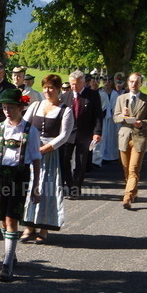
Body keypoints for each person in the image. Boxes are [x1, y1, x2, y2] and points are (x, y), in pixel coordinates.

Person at [0, 89, 42, 282]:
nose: (7, 111)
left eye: (11, 107)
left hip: (20, 176)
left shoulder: (30, 131)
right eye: (5, 107)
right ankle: (11, 252)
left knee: (11, 218)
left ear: (20, 108)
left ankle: (7, 264)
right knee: (2, 218)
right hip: (2, 176)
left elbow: (36, 159)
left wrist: (36, 185)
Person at [21, 74, 72, 243]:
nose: (47, 91)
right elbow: (24, 125)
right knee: (29, 188)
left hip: (50, 155)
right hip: (31, 153)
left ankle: (43, 229)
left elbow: (63, 136)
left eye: (51, 88)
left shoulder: (65, 110)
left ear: (58, 90)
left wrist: (43, 149)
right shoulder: (36, 105)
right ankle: (29, 227)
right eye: (45, 87)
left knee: (46, 190)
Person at [112, 72, 147, 210]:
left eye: (136, 82)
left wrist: (141, 123)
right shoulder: (121, 98)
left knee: (134, 169)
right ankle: (134, 191)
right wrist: (123, 116)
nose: (133, 84)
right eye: (131, 81)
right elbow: (115, 117)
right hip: (124, 137)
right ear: (128, 83)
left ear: (141, 84)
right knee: (126, 169)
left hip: (139, 137)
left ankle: (127, 197)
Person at [61, 70, 103, 198]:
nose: (74, 87)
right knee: (64, 160)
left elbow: (98, 116)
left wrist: (97, 132)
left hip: (84, 133)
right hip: (67, 134)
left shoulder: (93, 95)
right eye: (72, 84)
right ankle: (68, 184)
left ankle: (76, 188)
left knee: (81, 162)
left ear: (83, 82)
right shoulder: (65, 96)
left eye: (77, 84)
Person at [99, 76, 123, 162]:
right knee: (102, 136)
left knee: (112, 137)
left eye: (109, 81)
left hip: (113, 118)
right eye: (105, 81)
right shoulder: (99, 92)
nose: (107, 83)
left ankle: (112, 156)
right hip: (102, 118)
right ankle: (101, 157)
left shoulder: (115, 93)